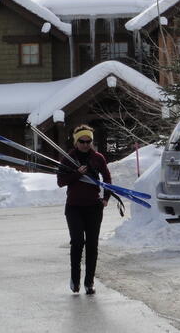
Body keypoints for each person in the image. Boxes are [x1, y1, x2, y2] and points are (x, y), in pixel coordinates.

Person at [56, 125, 111, 295]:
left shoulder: (97, 158)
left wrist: (105, 198)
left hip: (94, 207)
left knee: (92, 245)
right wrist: (77, 174)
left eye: (89, 141)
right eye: (82, 141)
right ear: (76, 141)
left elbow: (107, 179)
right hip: (74, 207)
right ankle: (75, 279)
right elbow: (60, 181)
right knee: (78, 242)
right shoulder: (68, 158)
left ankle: (89, 282)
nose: (86, 144)